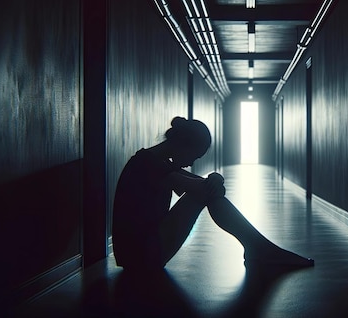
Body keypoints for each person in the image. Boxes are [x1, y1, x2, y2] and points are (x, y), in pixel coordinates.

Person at [112, 116, 314, 272]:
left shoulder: (157, 162)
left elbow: (199, 184)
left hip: (142, 253)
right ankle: (260, 248)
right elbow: (201, 189)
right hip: (141, 257)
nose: (192, 162)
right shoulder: (148, 163)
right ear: (184, 145)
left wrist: (215, 180)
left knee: (206, 192)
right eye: (194, 155)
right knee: (204, 194)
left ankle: (259, 248)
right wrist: (214, 181)